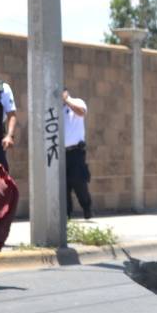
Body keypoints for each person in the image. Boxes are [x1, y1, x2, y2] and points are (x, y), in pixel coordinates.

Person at [63, 88, 92, 219]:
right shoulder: (56, 109)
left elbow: (81, 112)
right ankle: (66, 213)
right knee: (63, 185)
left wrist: (67, 100)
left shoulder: (77, 102)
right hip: (61, 153)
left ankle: (86, 207)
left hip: (76, 152)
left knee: (78, 181)